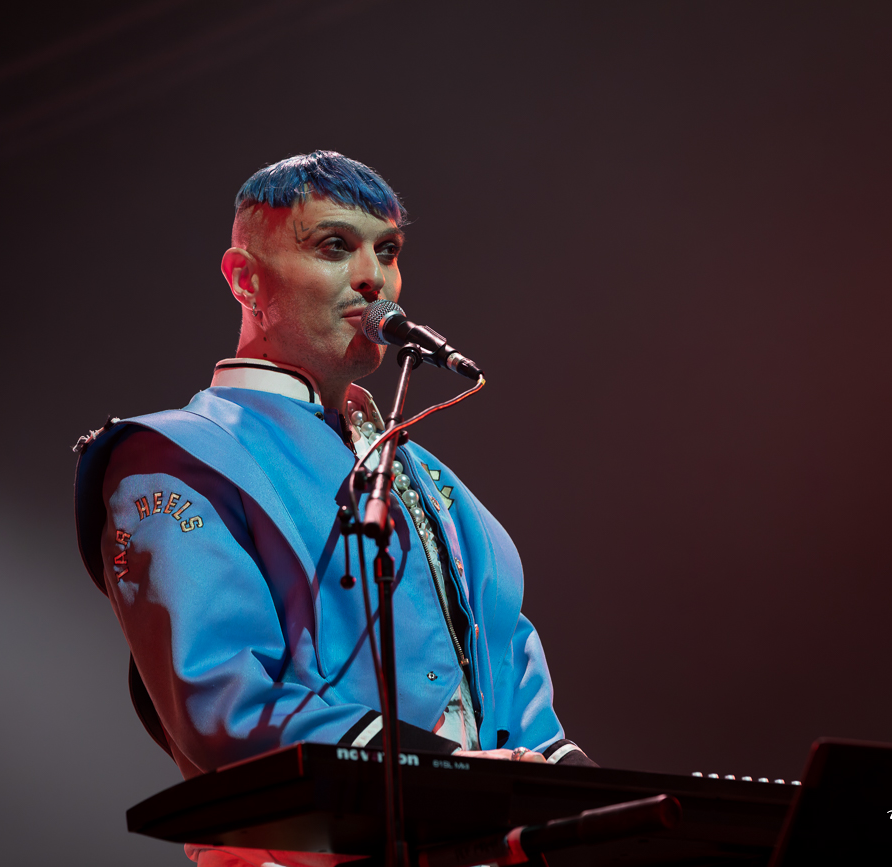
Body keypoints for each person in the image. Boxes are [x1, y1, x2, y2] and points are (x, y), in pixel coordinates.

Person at [72, 151, 593, 866]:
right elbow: (226, 700)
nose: (373, 276)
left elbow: (516, 685)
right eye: (335, 245)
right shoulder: (176, 456)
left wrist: (600, 807)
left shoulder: (424, 476)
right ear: (246, 280)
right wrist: (458, 778)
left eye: (389, 250)